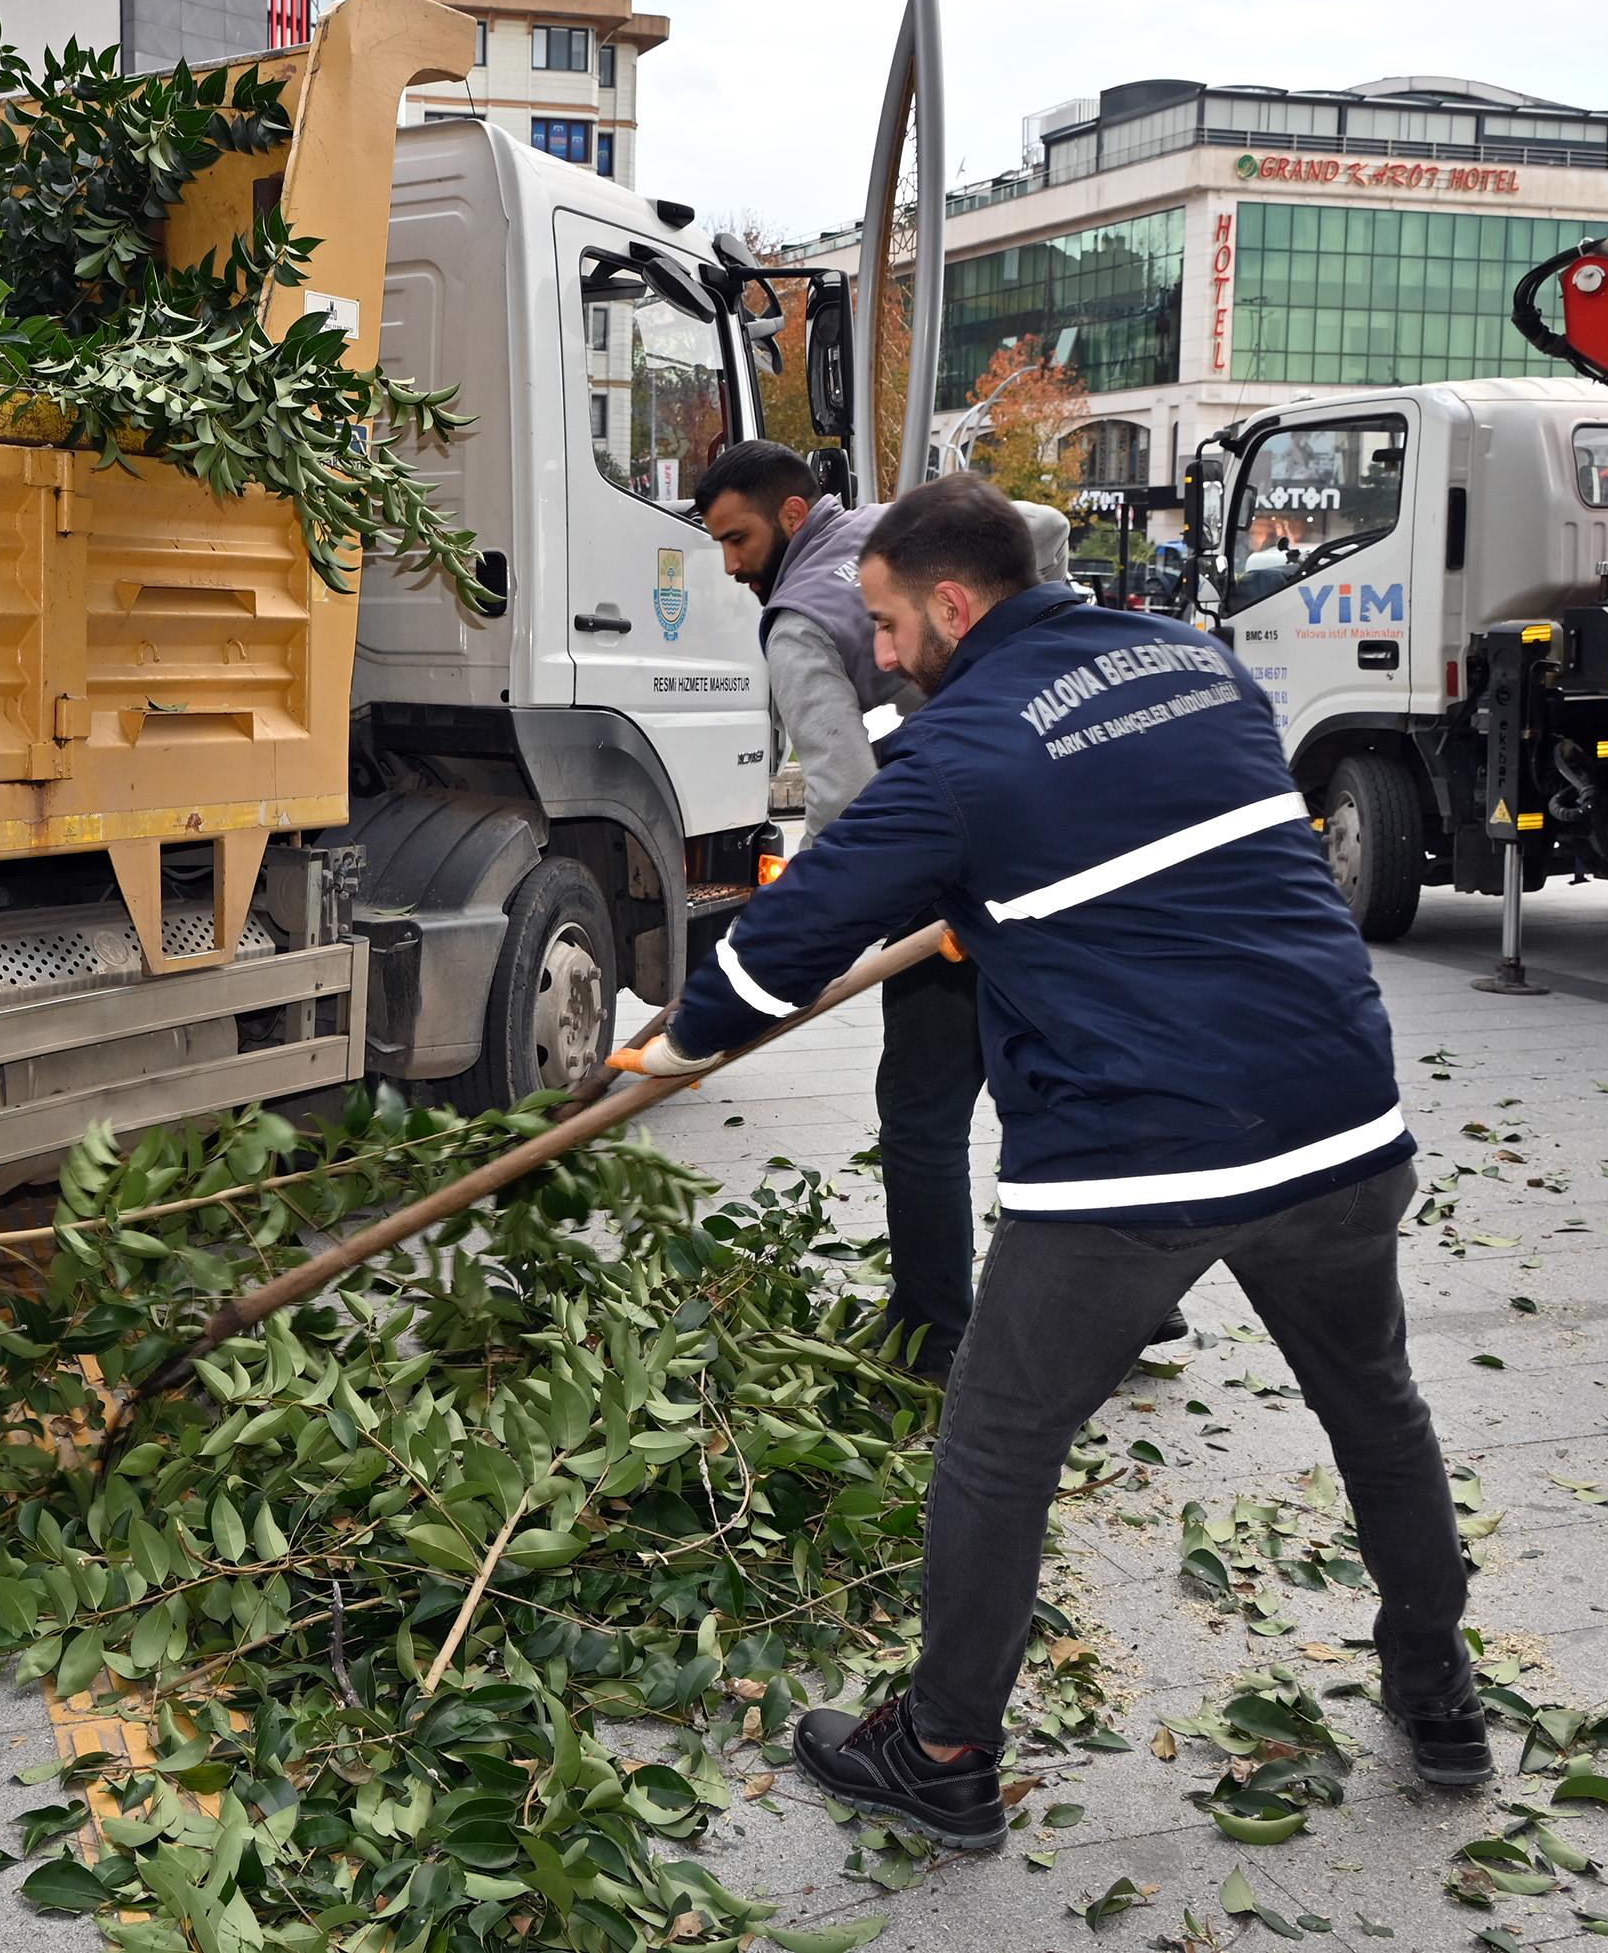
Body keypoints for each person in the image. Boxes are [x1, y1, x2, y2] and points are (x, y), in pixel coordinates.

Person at [616, 472, 1485, 1852]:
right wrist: (998, 901)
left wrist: (671, 1047)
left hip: (1137, 1152)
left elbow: (798, 934)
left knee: (999, 1440)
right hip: (1337, 1111)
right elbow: (1160, 841)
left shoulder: (955, 755)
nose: (883, 655)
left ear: (954, 605)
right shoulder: (1193, 660)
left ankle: (945, 1749)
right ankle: (1440, 1698)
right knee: (1376, 1405)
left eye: (891, 626)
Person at [688, 444, 1164, 1383]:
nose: (732, 564)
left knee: (922, 1111)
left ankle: (933, 1329)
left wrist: (812, 941)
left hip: (946, 894)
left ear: (791, 517)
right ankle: (1138, 1310)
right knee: (1075, 1084)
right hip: (1057, 857)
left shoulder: (793, 626)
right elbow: (1042, 530)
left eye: (737, 539)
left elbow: (839, 805)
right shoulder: (898, 533)